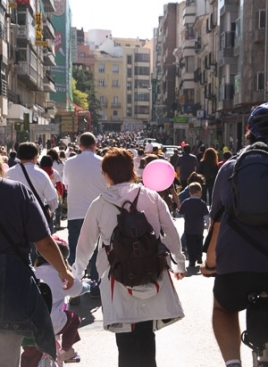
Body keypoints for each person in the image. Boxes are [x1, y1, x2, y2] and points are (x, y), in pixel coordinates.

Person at [73, 147, 186, 367]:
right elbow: (170, 231)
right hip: (151, 272)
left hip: (116, 277)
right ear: (132, 170)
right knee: (146, 336)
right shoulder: (151, 197)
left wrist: (77, 276)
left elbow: (85, 245)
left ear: (106, 174)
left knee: (124, 341)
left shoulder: (99, 204)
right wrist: (179, 263)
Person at [200, 102, 268, 367]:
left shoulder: (231, 167)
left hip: (237, 269)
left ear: (248, 132)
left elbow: (216, 223)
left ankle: (233, 363)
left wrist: (210, 264)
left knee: (223, 308)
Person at [0, 157, 74, 367]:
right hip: (10, 290)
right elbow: (45, 243)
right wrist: (64, 271)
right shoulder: (17, 192)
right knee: (6, 356)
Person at [21, 235, 91, 366]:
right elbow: (77, 290)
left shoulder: (33, 272)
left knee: (29, 353)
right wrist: (88, 286)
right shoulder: (63, 275)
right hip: (55, 323)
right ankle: (66, 350)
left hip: (30, 326)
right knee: (74, 319)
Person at [63, 132, 107, 300]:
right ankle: (95, 287)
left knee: (75, 251)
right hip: (97, 213)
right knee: (96, 250)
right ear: (96, 144)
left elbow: (66, 183)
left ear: (80, 145)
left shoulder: (70, 162)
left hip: (75, 213)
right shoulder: (103, 162)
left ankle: (75, 288)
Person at [6, 142, 58, 231]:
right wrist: (51, 211)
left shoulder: (8, 173)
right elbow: (53, 200)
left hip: (13, 221)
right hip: (36, 220)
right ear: (35, 156)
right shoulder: (41, 174)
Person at [179, 182, 209, 267]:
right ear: (199, 192)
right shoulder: (202, 203)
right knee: (199, 242)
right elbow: (206, 216)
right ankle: (199, 257)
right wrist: (208, 225)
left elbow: (181, 212)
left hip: (189, 228)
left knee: (190, 244)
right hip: (199, 228)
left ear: (190, 193)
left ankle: (192, 260)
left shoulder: (186, 202)